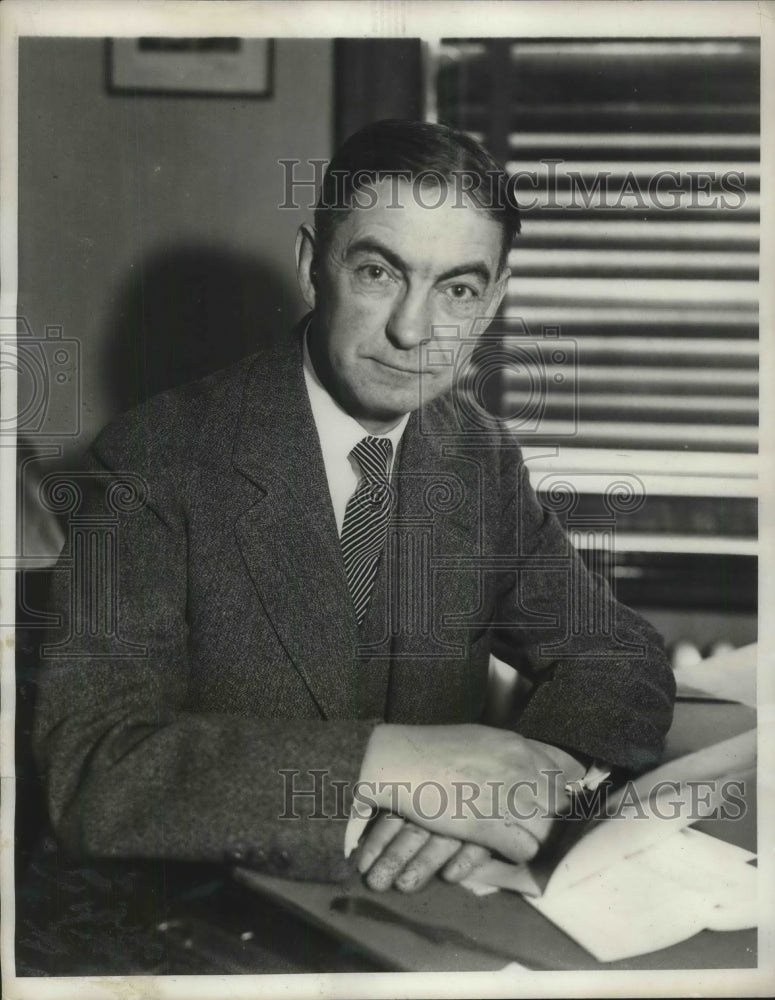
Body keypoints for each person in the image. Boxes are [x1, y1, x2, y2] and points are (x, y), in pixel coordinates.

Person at [33, 120, 675, 898]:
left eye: (459, 288)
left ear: (494, 300)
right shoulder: (152, 461)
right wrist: (391, 764)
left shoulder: (476, 455)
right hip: (222, 918)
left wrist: (529, 776)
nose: (414, 330)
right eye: (378, 272)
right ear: (312, 267)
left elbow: (616, 653)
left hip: (434, 910)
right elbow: (95, 770)